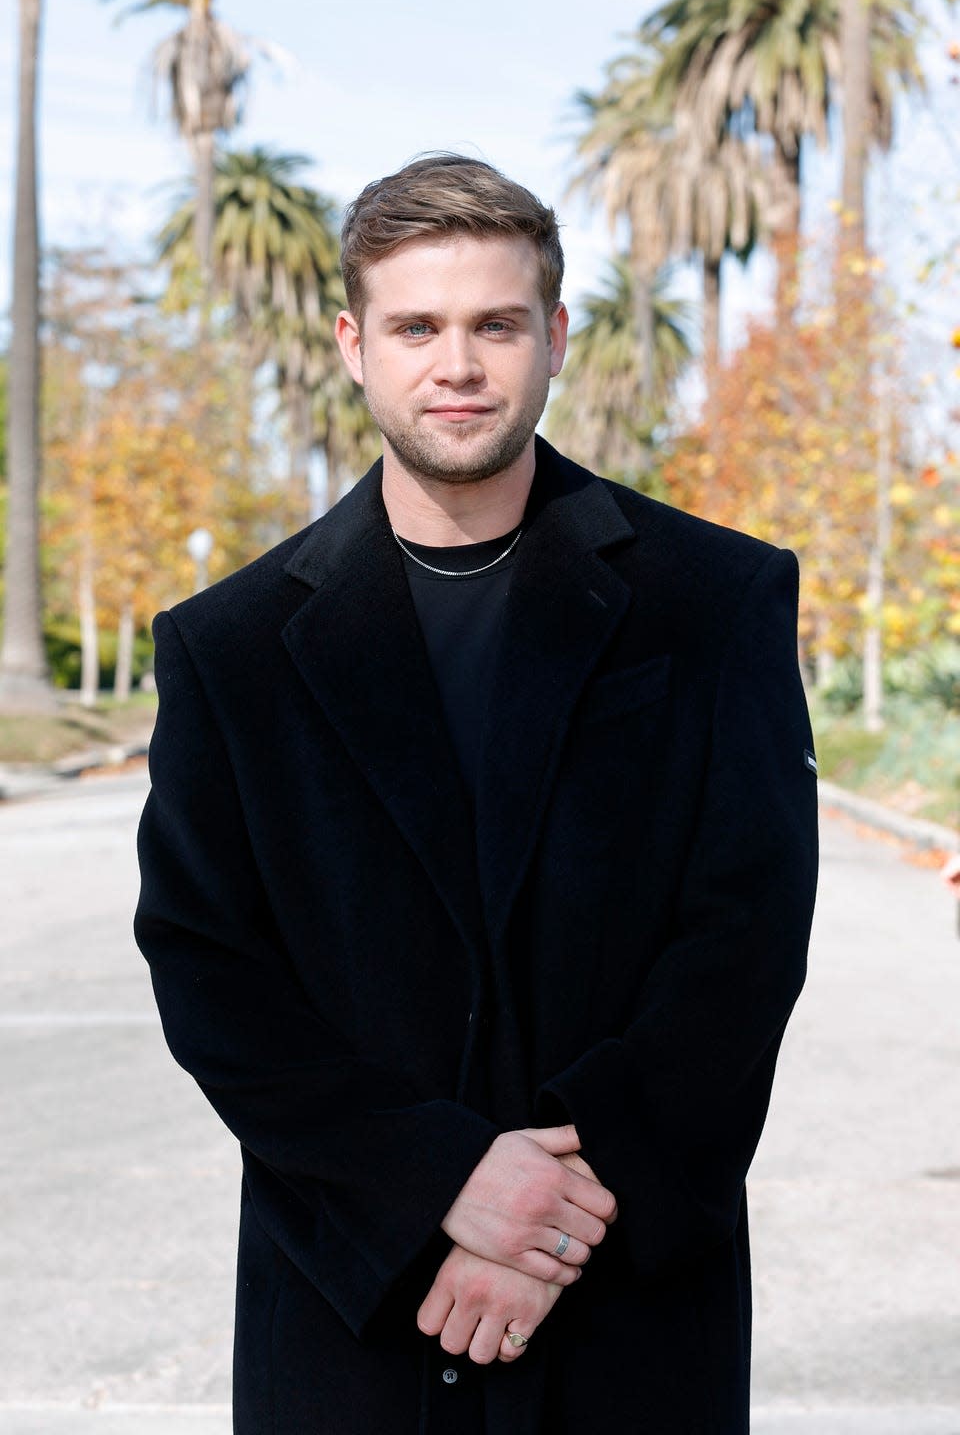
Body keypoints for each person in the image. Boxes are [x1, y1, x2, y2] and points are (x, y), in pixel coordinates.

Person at [135, 153, 819, 1434]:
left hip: (626, 1301)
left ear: (554, 336)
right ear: (355, 343)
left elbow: (747, 934)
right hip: (354, 1303)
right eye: (417, 326)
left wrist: (552, 1217)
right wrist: (438, 1181)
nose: (457, 364)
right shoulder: (225, 649)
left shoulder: (715, 599)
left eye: (496, 323)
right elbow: (209, 967)